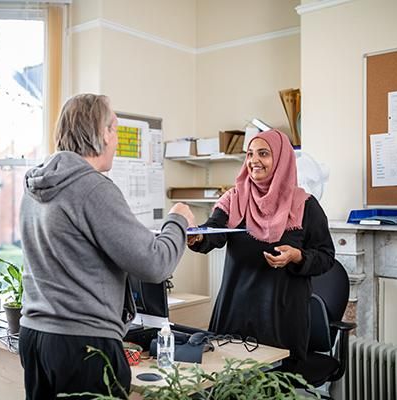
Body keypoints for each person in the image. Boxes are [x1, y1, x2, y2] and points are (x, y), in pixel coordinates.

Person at [18, 93, 194, 400]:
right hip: (83, 347)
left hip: (35, 337)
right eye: (114, 130)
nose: (115, 142)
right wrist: (177, 222)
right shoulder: (93, 189)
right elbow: (154, 264)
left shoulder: (36, 186)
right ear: (102, 133)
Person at [187, 129, 335, 364]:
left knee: (277, 386)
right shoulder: (233, 199)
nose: (254, 161)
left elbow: (326, 256)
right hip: (235, 311)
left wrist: (298, 256)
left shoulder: (305, 205)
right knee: (230, 385)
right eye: (250, 154)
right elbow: (213, 231)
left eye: (263, 154)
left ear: (281, 159)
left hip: (282, 318)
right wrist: (197, 237)